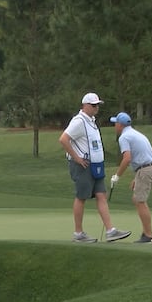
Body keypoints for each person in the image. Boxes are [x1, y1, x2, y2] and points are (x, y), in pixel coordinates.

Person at [59, 92, 131, 243]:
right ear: (85, 106)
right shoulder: (79, 121)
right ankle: (78, 233)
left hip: (96, 165)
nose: (96, 108)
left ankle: (110, 230)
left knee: (101, 195)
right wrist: (77, 157)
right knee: (81, 196)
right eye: (93, 105)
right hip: (83, 165)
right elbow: (64, 139)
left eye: (97, 105)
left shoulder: (91, 121)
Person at [108, 112, 152, 244]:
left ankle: (149, 236)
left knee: (139, 200)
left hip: (146, 169)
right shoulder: (136, 133)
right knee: (137, 199)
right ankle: (147, 233)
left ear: (120, 125)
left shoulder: (124, 137)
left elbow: (127, 158)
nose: (115, 126)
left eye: (115, 123)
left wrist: (117, 176)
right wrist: (136, 177)